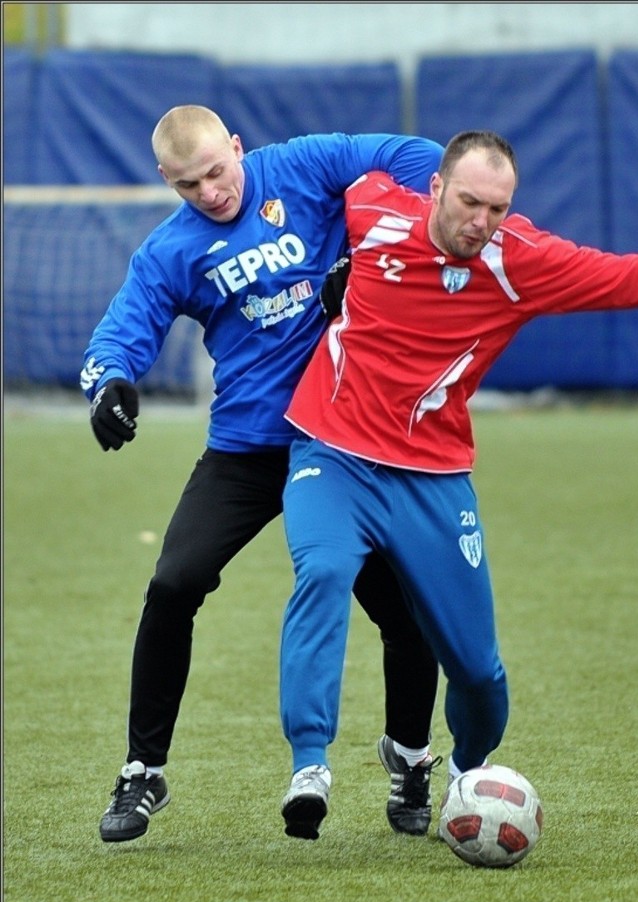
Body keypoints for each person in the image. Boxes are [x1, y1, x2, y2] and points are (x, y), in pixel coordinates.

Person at [275, 129, 638, 838]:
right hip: (332, 452)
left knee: (478, 674)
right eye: (470, 201)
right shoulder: (374, 206)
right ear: (436, 189)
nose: (481, 221)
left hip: (432, 477)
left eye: (497, 208)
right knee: (320, 570)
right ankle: (310, 764)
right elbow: (305, 192)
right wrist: (326, 261)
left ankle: (465, 775)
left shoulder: (521, 262)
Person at [80, 105, 445, 844]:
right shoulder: (171, 250)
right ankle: (142, 771)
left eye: (218, 170)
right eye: (189, 184)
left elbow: (422, 158)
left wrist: (373, 260)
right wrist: (109, 383)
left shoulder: (306, 164)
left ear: (238, 147)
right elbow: (122, 328)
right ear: (166, 181)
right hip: (247, 449)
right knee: (173, 584)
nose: (211, 191)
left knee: (408, 616)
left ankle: (409, 756)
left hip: (341, 442)